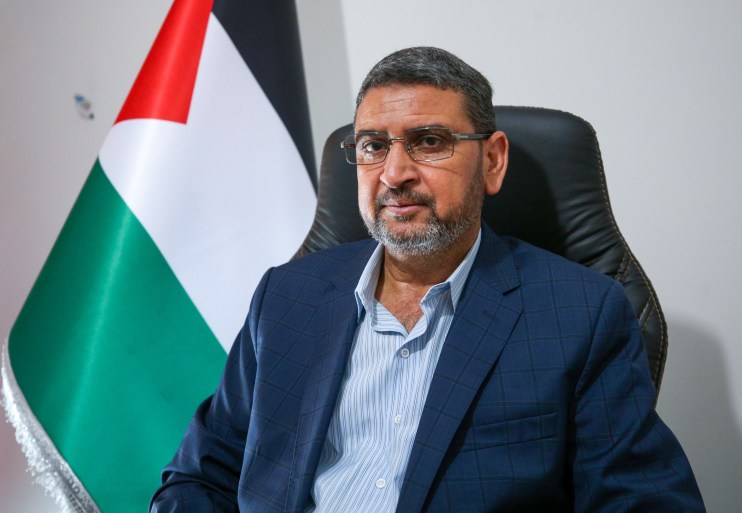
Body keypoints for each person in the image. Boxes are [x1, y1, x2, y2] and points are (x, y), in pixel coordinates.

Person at [150, 47, 705, 513]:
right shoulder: (287, 296)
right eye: (373, 145)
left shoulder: (579, 312)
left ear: (492, 161)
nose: (395, 173)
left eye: (429, 141)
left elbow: (642, 501)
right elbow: (201, 476)